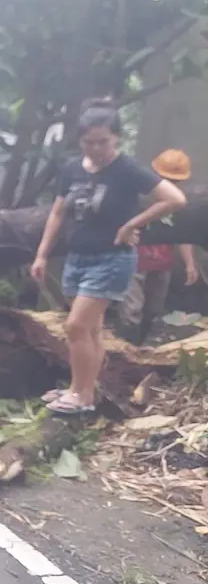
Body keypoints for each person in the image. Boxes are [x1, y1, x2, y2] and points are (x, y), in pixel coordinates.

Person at [30, 98, 187, 414]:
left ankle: (81, 395)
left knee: (75, 326)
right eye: (89, 142)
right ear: (80, 140)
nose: (96, 148)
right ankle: (83, 387)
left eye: (103, 142)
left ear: (116, 138)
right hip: (78, 257)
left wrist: (132, 224)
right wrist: (42, 254)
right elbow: (58, 213)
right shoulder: (72, 169)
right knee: (91, 330)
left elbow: (174, 198)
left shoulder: (126, 169)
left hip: (112, 259)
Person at [118, 149, 199, 344]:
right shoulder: (138, 197)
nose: (171, 184)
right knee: (132, 309)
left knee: (153, 309)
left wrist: (190, 264)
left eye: (176, 181)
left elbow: (183, 234)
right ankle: (126, 346)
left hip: (162, 261)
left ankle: (140, 346)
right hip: (134, 259)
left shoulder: (180, 203)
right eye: (166, 179)